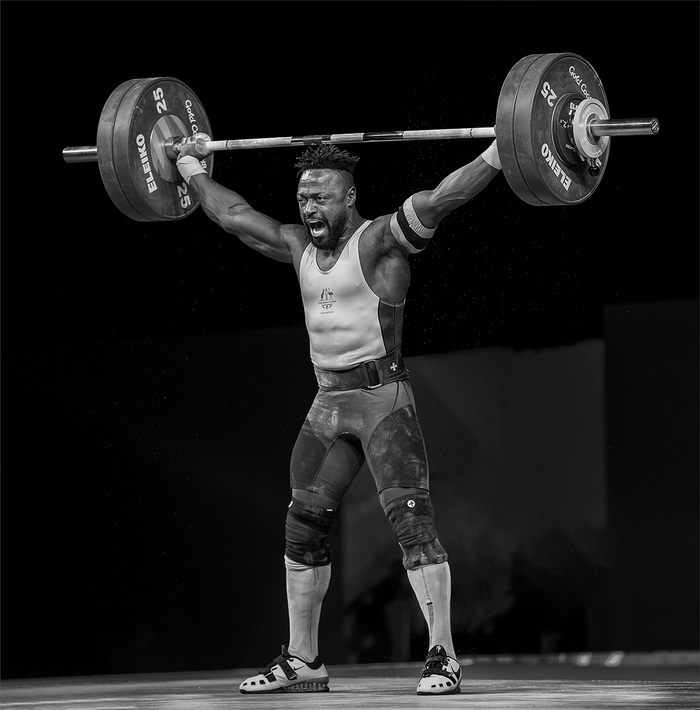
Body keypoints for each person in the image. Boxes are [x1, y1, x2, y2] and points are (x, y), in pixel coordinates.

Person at [176, 135, 501, 695]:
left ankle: (443, 656)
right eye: (304, 198)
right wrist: (186, 165)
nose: (310, 209)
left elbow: (442, 198)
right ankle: (304, 659)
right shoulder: (297, 245)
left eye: (321, 198)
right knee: (301, 527)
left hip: (383, 403)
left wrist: (502, 150)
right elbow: (232, 216)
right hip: (327, 405)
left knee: (413, 527)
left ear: (349, 197)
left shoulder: (379, 242)